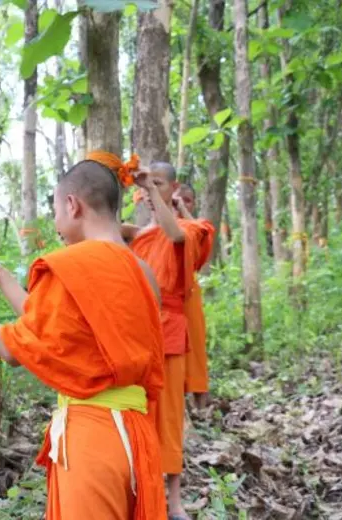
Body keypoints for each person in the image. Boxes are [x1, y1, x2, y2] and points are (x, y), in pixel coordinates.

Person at [0, 158, 167, 519]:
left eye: (55, 210)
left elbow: (11, 349)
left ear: (72, 205)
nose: (56, 224)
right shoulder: (142, 270)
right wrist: (4, 279)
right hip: (138, 437)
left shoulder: (74, 263)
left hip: (92, 438)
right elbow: (59, 330)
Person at [121, 164, 214, 520]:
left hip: (171, 332)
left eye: (157, 183)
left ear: (172, 188)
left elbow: (174, 235)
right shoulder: (139, 233)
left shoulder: (191, 228)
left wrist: (161, 198)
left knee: (171, 418)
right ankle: (139, 494)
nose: (149, 189)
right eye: (146, 184)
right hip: (138, 332)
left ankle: (173, 500)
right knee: (137, 413)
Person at [174, 184, 213, 411]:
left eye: (187, 200)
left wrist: (181, 209)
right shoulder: (158, 226)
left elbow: (199, 235)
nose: (181, 204)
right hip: (164, 297)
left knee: (195, 347)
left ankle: (200, 404)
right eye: (177, 200)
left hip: (188, 295)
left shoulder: (199, 227)